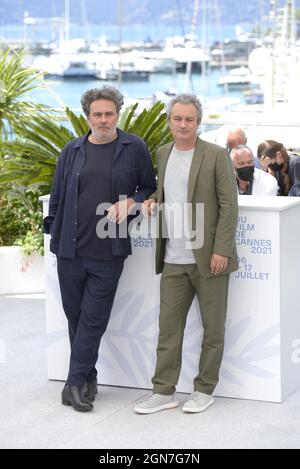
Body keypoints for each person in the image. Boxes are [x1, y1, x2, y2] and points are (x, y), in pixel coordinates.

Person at [43, 86, 156, 412]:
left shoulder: (133, 147)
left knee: (93, 320)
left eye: (109, 114)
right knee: (76, 319)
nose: (104, 120)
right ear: (88, 117)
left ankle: (73, 385)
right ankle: (88, 377)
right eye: (98, 114)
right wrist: (55, 238)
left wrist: (132, 202)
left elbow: (149, 184)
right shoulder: (72, 150)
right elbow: (58, 198)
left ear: (117, 114)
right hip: (70, 253)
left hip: (108, 253)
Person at [134, 94, 238, 414]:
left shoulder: (216, 154)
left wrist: (221, 249)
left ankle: (204, 390)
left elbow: (228, 205)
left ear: (198, 122)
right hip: (173, 259)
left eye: (189, 119)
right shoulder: (163, 152)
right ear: (169, 121)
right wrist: (152, 198)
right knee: (168, 330)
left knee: (213, 329)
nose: (183, 124)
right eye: (177, 119)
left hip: (208, 259)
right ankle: (163, 391)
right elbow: (168, 189)